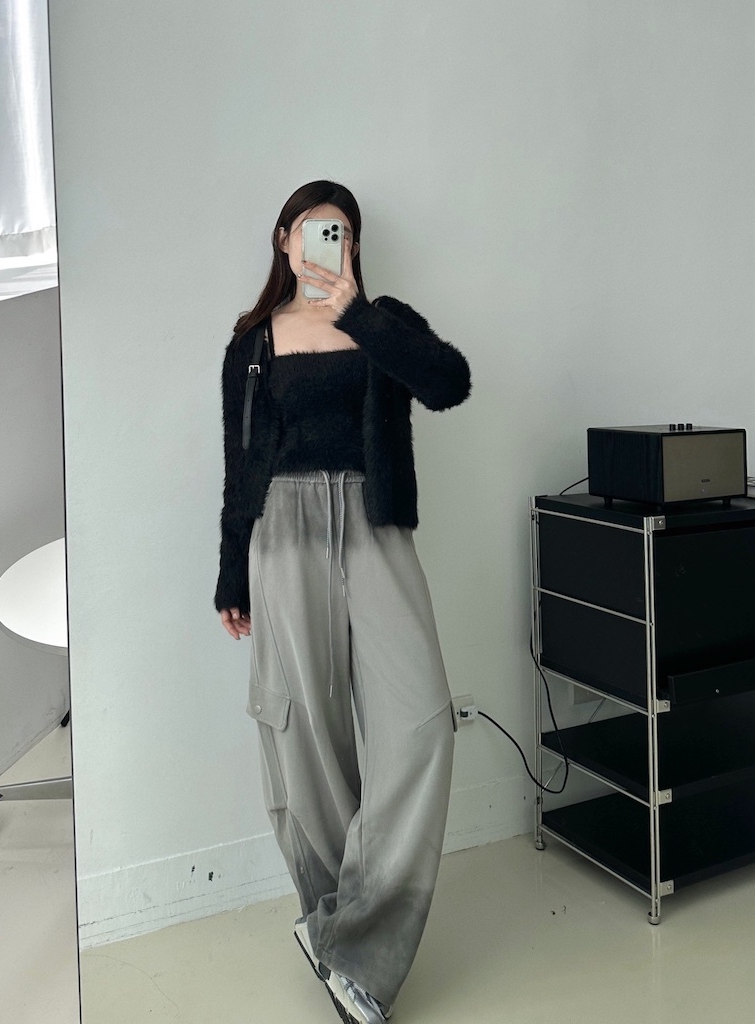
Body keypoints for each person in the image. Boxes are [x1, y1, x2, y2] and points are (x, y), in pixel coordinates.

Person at [214, 180, 471, 1024]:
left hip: (374, 524)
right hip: (282, 535)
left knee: (422, 724)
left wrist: (357, 315)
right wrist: (231, 574)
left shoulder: (382, 320)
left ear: (354, 248)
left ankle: (353, 935)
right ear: (284, 239)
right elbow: (239, 466)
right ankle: (341, 943)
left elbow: (450, 383)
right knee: (308, 739)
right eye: (316, 230)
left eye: (344, 233)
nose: (329, 243)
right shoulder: (253, 343)